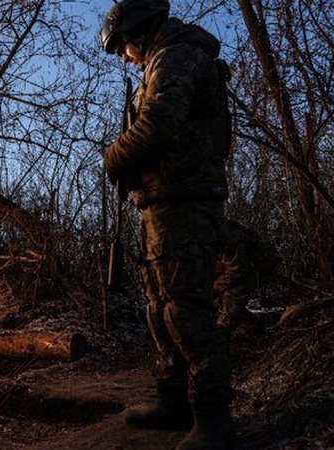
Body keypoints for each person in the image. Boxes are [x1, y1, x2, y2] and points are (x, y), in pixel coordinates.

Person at [100, 1, 235, 448]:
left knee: (186, 311)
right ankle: (173, 401)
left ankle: (213, 419)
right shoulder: (162, 58)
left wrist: (115, 156)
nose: (125, 56)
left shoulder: (176, 54)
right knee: (159, 308)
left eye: (124, 47)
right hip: (162, 202)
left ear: (140, 32)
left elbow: (160, 122)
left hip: (186, 203)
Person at [214, 220, 279, 339]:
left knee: (230, 297)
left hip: (258, 267)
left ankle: (220, 338)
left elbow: (238, 270)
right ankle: (256, 328)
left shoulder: (228, 235)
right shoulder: (207, 237)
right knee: (220, 301)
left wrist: (215, 287)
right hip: (244, 269)